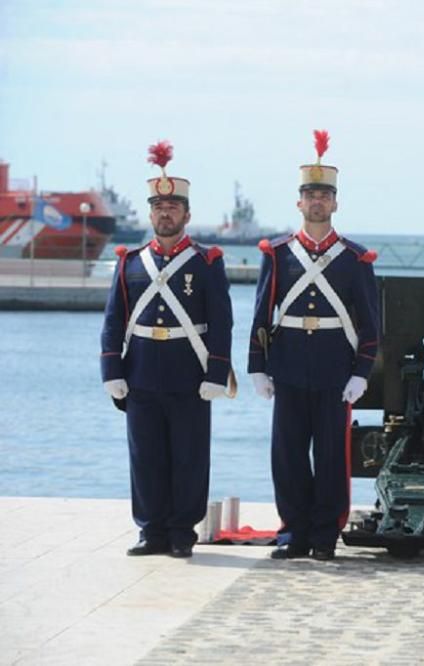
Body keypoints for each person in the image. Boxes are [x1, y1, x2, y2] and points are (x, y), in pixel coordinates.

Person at [248, 130, 379, 561]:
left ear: (336, 202)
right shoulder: (277, 253)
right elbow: (262, 313)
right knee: (286, 457)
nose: (317, 201)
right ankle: (293, 532)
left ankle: (324, 535)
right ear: (298, 202)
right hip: (286, 368)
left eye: (325, 194)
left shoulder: (354, 258)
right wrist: (257, 367)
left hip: (334, 372)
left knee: (330, 458)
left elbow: (370, 324)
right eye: (310, 194)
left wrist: (361, 373)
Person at [100, 140, 234, 558]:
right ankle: (151, 530)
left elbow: (222, 321)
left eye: (173, 206)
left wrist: (216, 374)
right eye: (159, 205)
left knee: (189, 458)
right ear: (150, 212)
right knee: (146, 458)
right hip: (141, 373)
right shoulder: (130, 262)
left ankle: (181, 532)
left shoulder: (206, 262)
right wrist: (112, 372)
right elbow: (113, 321)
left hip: (188, 375)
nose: (165, 212)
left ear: (187, 214)